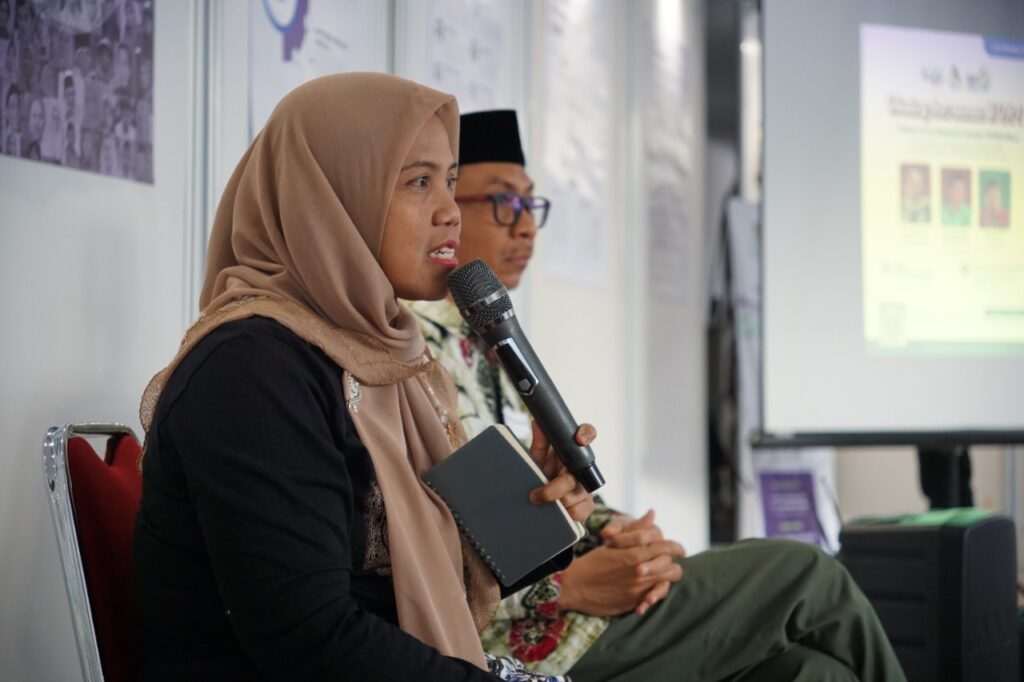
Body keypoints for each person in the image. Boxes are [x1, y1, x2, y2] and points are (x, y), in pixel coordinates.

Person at [409, 109, 908, 682]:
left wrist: (622, 535)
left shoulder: (489, 340)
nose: (526, 227)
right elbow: (427, 544)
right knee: (805, 573)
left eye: (531, 205)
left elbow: (524, 506)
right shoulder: (414, 347)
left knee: (813, 673)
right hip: (513, 634)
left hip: (570, 601)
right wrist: (568, 586)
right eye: (503, 202)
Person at [132, 74, 597, 681]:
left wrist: (538, 503)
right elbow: (310, 638)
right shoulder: (252, 370)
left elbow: (427, 575)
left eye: (450, 181)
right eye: (418, 181)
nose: (449, 211)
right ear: (329, 197)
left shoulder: (386, 357)